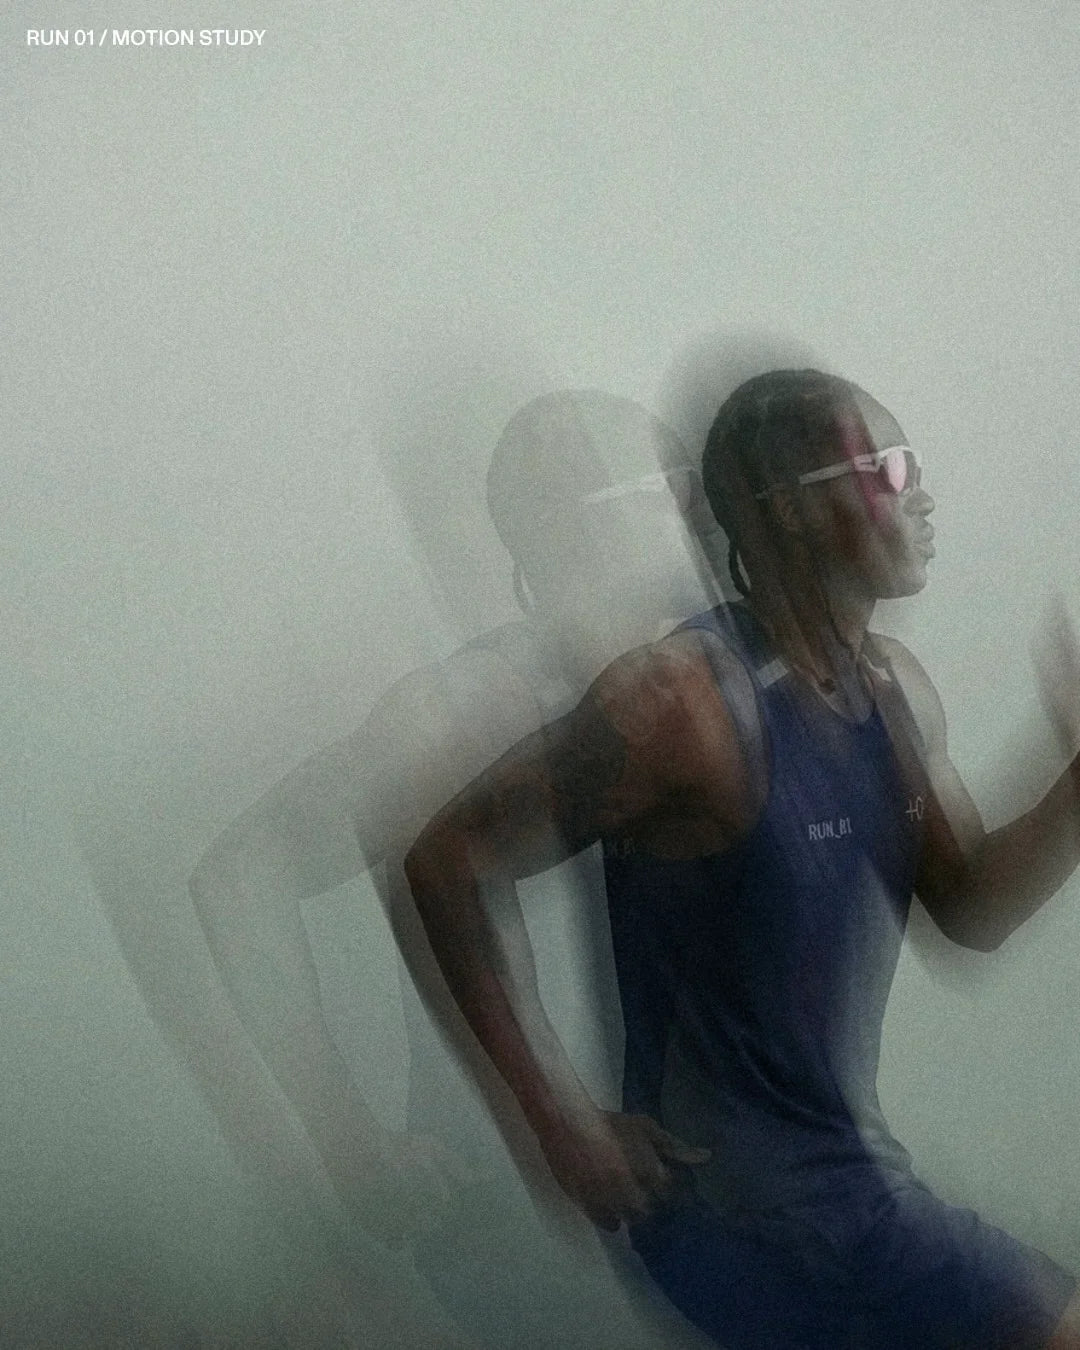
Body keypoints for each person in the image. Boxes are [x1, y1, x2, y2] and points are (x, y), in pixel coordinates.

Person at [404, 368, 1080, 1348]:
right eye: (887, 468)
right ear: (791, 515)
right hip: (737, 1220)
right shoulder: (683, 705)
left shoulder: (887, 696)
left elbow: (970, 905)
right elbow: (445, 857)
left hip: (840, 1191)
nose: (919, 493)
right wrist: (553, 1124)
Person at [187, 390, 720, 1348]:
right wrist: (349, 1146)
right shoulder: (476, 705)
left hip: (713, 1202)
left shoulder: (733, 685)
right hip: (533, 1234)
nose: (686, 517)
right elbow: (239, 879)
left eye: (681, 488)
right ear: (552, 534)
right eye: (648, 493)